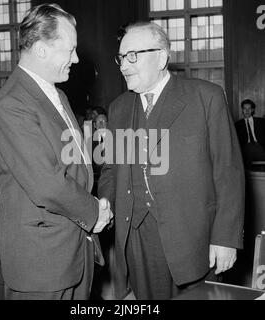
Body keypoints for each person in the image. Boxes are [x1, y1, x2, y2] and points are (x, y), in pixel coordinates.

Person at [98, 21, 245, 300]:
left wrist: (225, 238)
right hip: (137, 239)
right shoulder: (118, 108)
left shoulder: (206, 97)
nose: (123, 65)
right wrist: (104, 206)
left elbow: (228, 173)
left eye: (133, 56)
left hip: (194, 240)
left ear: (162, 57)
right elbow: (111, 170)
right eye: (120, 57)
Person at [0, 3, 112, 300]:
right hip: (42, 265)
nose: (77, 58)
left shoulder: (58, 95)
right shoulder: (11, 105)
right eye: (69, 50)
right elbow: (47, 183)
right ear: (41, 50)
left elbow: (73, 165)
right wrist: (94, 212)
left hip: (72, 253)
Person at [235, 99, 265, 167]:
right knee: (249, 150)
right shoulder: (237, 125)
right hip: (246, 148)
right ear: (242, 110)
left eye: (249, 108)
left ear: (252, 110)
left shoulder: (261, 122)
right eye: (245, 108)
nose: (247, 111)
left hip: (259, 146)